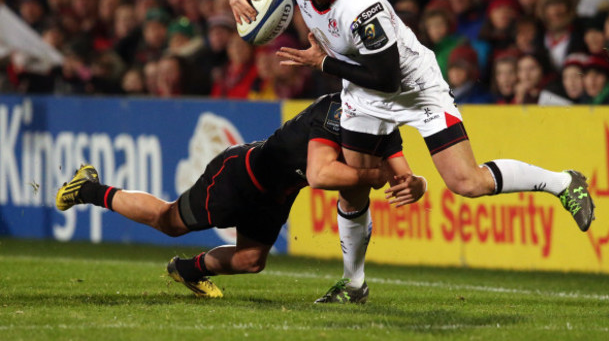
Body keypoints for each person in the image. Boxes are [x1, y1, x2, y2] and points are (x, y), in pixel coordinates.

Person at [229, 0, 595, 297]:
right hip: (362, 93)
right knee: (352, 188)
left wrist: (323, 62)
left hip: (415, 88)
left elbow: (386, 79)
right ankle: (353, 284)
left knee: (467, 183)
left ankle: (564, 183)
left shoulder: (361, 8)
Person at [55, 93, 426, 301]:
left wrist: (417, 184)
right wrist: (378, 174)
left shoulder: (381, 124)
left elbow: (403, 172)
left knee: (250, 261)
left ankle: (186, 269)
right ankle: (88, 188)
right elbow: (321, 174)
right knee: (169, 222)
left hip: (276, 195)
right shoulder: (335, 109)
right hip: (241, 176)